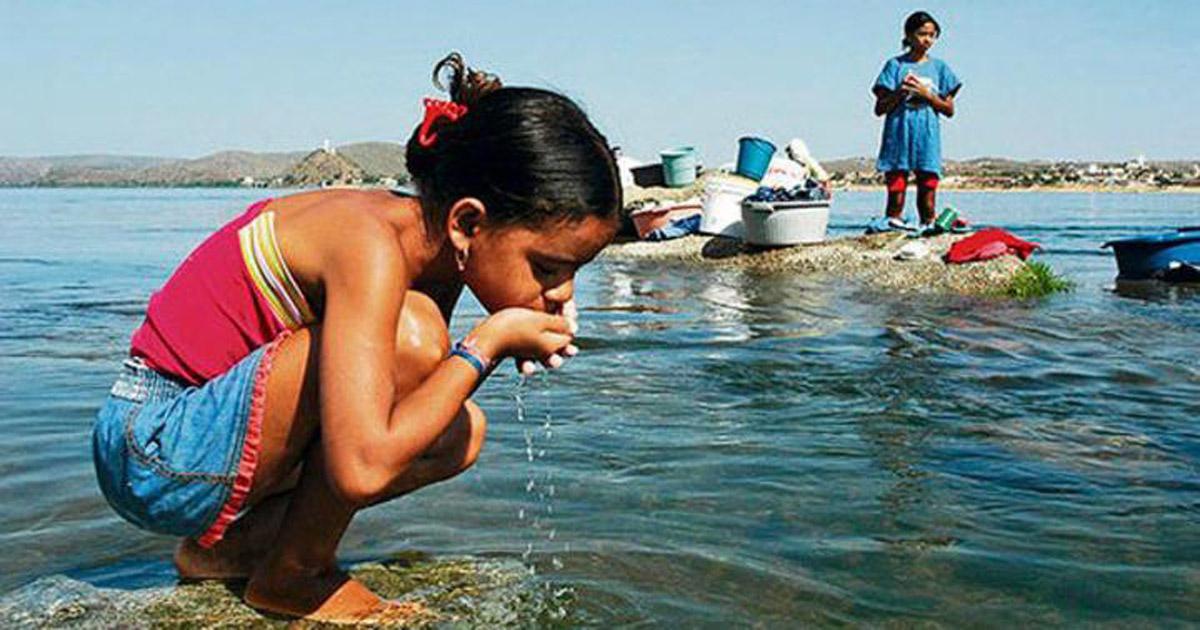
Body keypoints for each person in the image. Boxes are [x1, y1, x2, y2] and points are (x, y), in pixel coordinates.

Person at [91, 52, 621, 622]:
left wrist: (491, 339)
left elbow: (394, 418)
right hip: (151, 448)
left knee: (457, 433)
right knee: (418, 342)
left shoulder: (433, 250)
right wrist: (488, 342)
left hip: (202, 442)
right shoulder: (370, 246)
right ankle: (295, 575)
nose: (564, 294)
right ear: (467, 223)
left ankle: (228, 551)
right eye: (547, 268)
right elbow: (361, 467)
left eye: (573, 272)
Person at [872, 10, 962, 226]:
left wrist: (927, 95)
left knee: (928, 194)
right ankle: (893, 228)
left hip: (926, 137)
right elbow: (879, 108)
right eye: (922, 34)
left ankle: (928, 227)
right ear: (909, 35)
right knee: (896, 194)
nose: (927, 39)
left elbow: (949, 109)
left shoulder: (940, 68)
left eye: (932, 35)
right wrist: (900, 93)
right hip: (898, 135)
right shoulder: (894, 66)